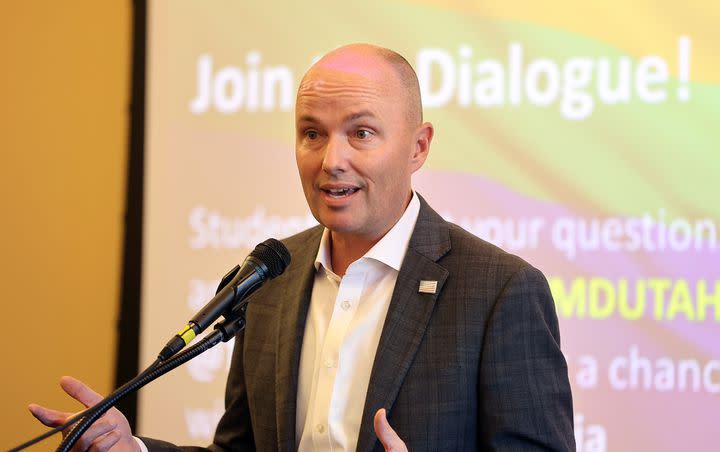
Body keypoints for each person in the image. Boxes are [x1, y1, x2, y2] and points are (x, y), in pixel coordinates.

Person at [30, 43, 575, 451]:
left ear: (418, 147)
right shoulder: (269, 279)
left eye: (361, 133)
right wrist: (136, 450)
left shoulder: (501, 292)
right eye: (312, 133)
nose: (330, 159)